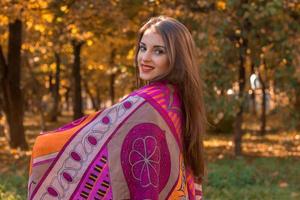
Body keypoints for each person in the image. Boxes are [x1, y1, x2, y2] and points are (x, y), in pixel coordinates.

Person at [28, 16, 206, 200]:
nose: (145, 58)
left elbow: (102, 136)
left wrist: (44, 148)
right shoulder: (177, 99)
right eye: (143, 48)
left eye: (158, 51)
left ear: (177, 58)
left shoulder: (147, 103)